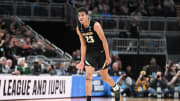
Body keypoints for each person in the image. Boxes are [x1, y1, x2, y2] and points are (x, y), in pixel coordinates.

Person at [76, 7, 121, 101]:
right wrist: (81, 61)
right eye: (79, 15)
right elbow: (83, 45)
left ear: (87, 16)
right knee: (88, 76)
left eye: (82, 15)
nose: (80, 17)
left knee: (104, 77)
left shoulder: (95, 25)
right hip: (90, 53)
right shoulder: (78, 28)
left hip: (101, 52)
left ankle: (116, 88)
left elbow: (104, 41)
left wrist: (108, 56)